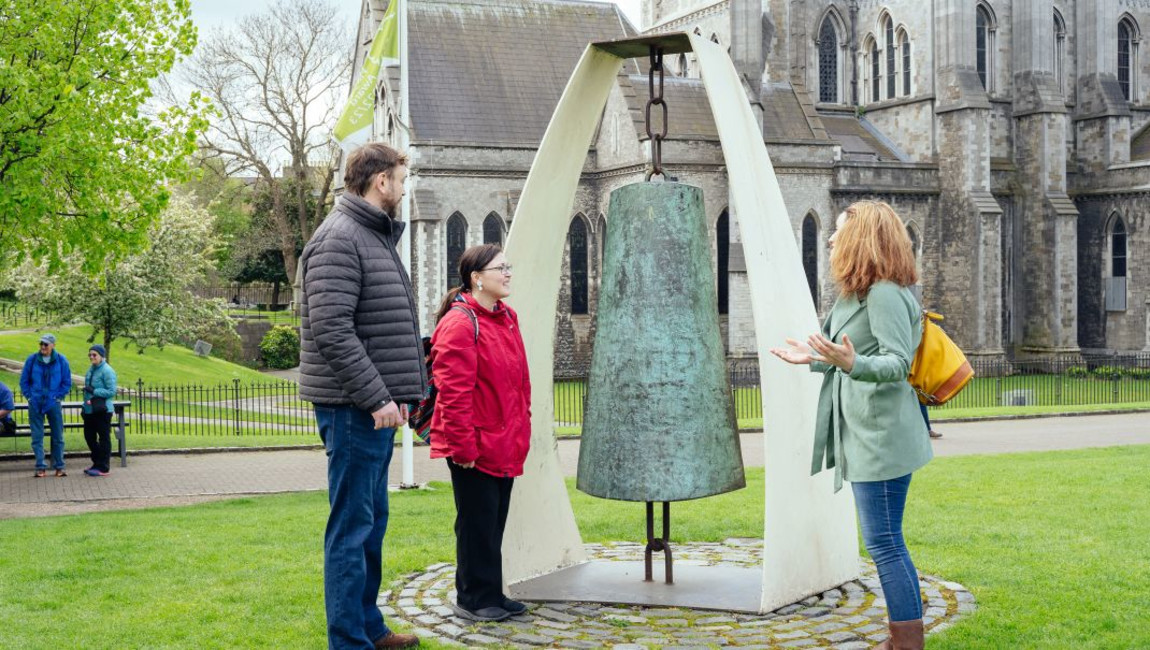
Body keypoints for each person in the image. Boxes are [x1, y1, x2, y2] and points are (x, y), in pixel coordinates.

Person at [770, 200, 932, 650]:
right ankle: (904, 638)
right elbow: (847, 355)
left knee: (885, 543)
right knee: (886, 541)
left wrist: (853, 362)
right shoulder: (855, 293)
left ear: (863, 238)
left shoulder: (883, 293)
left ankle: (906, 644)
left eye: (839, 231)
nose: (830, 239)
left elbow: (897, 363)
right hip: (865, 433)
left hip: (882, 440)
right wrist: (816, 357)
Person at [299, 142, 425, 650]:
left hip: (373, 412)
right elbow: (332, 329)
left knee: (370, 525)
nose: (403, 187)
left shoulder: (370, 236)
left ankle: (369, 628)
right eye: (400, 178)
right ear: (380, 182)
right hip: (355, 411)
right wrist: (377, 398)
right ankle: (348, 641)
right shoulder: (340, 238)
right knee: (351, 530)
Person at [429, 244, 531, 623]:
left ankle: (491, 592)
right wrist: (463, 447)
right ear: (476, 277)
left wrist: (523, 425)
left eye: (508, 266)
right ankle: (472, 598)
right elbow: (453, 393)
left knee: (493, 522)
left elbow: (519, 382)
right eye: (499, 268)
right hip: (475, 444)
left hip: (504, 439)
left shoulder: (506, 318)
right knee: (476, 523)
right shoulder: (459, 324)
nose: (507, 273)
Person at [19, 333, 72, 478]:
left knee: (58, 436)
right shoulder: (32, 360)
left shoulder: (61, 360)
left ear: (53, 345)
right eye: (41, 344)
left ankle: (59, 467)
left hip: (53, 402)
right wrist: (29, 396)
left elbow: (67, 382)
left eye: (46, 344)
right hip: (35, 402)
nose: (43, 347)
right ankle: (40, 467)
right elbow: (24, 381)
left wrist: (58, 397)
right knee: (37, 436)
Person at [82, 345, 118, 476]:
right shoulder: (91, 369)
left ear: (101, 356)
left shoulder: (107, 371)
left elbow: (111, 391)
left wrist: (94, 391)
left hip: (103, 410)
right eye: (90, 355)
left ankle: (103, 467)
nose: (91, 357)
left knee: (104, 438)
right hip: (89, 410)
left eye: (94, 355)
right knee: (89, 437)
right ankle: (97, 462)